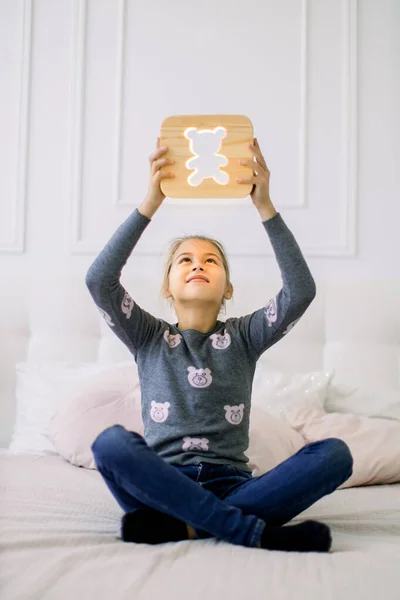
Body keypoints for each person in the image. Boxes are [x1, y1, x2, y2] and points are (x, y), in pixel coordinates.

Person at [86, 136, 353, 552]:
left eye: (211, 260)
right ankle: (248, 532)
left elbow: (299, 291)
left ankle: (189, 526)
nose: (198, 265)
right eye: (185, 261)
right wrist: (150, 203)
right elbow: (99, 281)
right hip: (162, 485)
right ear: (168, 288)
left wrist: (265, 206)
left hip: (232, 486)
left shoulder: (245, 337)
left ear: (228, 288)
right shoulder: (148, 336)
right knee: (110, 444)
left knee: (335, 454)